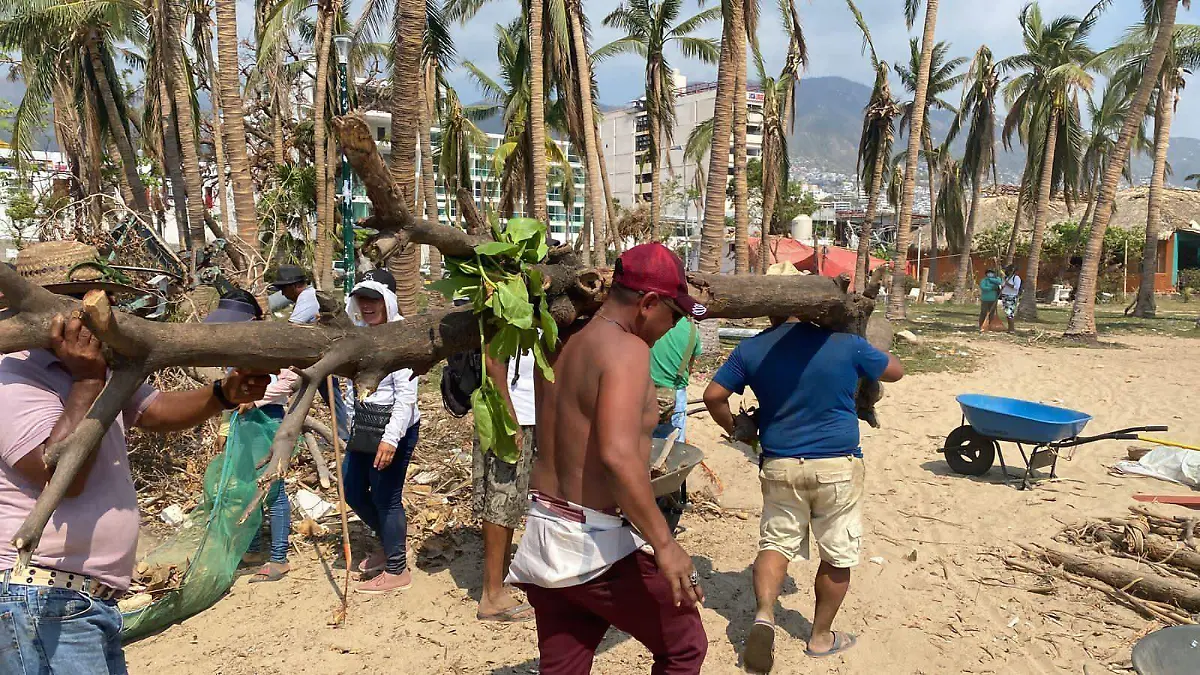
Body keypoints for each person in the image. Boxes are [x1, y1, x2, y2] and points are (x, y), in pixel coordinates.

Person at [0, 242, 269, 674]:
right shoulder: (12, 378)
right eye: (81, 298)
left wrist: (223, 394)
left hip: (84, 601)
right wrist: (86, 381)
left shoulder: (96, 367)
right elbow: (61, 476)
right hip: (38, 596)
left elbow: (154, 410)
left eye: (100, 297)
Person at [507, 242, 709, 675]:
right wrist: (667, 545)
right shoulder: (628, 350)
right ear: (648, 303)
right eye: (673, 316)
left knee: (565, 663)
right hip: (591, 543)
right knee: (685, 645)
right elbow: (617, 457)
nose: (672, 327)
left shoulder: (562, 336)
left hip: (543, 526)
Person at [703, 313, 904, 672]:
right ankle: (821, 636)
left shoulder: (751, 348)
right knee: (838, 554)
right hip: (837, 467)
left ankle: (764, 615)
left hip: (781, 465)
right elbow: (895, 372)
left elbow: (713, 396)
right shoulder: (845, 344)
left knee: (775, 544)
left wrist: (740, 429)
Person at [204, 290, 299, 583]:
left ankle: (279, 557)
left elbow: (293, 379)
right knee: (247, 484)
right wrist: (224, 427)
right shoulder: (234, 349)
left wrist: (256, 399)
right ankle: (255, 547)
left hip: (267, 420)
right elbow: (230, 391)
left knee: (272, 488)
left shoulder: (273, 344)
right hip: (242, 423)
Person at [339, 269, 421, 594]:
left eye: (374, 298)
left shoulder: (401, 335)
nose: (367, 304)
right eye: (362, 298)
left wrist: (391, 439)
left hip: (392, 428)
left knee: (386, 498)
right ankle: (391, 541)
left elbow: (407, 396)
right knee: (353, 489)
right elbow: (351, 386)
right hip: (363, 427)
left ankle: (397, 569)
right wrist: (349, 425)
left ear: (388, 299)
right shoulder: (359, 333)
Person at [473, 348, 538, 622]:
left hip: (527, 413)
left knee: (511, 501)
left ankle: (499, 581)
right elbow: (493, 358)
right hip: (510, 416)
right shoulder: (509, 308)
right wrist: (509, 418)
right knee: (500, 499)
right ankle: (491, 595)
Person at [269, 264, 348, 440]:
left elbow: (293, 327)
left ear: (293, 286)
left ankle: (342, 435)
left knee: (330, 397)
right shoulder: (307, 296)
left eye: (284, 289)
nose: (282, 294)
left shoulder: (308, 297)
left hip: (320, 356)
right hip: (314, 357)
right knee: (326, 397)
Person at [649, 317, 702, 534]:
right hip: (674, 398)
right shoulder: (691, 330)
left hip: (640, 392)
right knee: (671, 459)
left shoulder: (648, 323)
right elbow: (690, 364)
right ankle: (665, 517)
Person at [1000, 264, 1022, 333]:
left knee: (1009, 313)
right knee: (1007, 312)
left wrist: (1007, 284)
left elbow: (1016, 287)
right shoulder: (1005, 278)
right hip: (1004, 296)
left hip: (1011, 296)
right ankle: (1009, 328)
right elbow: (1002, 285)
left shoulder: (1016, 278)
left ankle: (1012, 329)